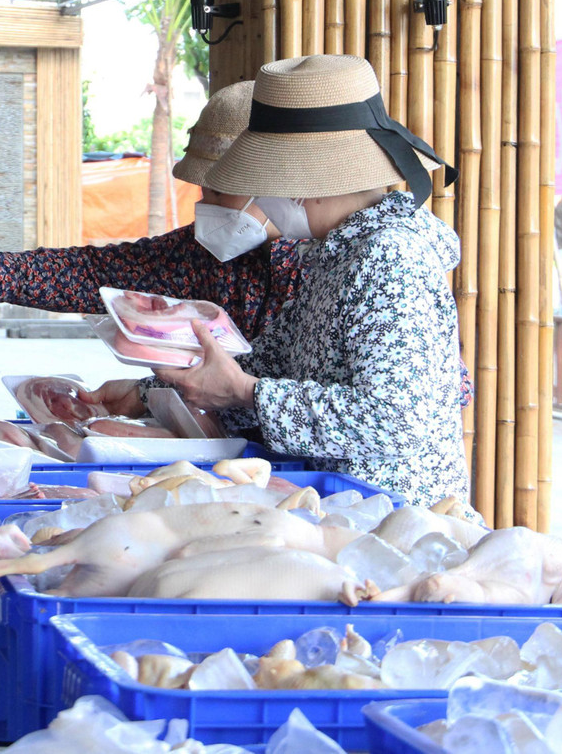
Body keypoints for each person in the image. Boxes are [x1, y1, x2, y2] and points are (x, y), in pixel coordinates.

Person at [155, 54, 468, 506]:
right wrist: (164, 387)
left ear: (310, 183)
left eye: (264, 181)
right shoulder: (331, 253)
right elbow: (275, 361)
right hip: (340, 504)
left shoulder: (390, 257)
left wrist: (246, 393)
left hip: (390, 517)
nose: (261, 198)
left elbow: (395, 420)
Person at [0, 81, 302, 416]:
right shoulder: (193, 254)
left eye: (221, 191)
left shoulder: (323, 264)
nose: (207, 203)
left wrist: (149, 394)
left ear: (271, 184)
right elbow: (93, 272)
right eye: (204, 189)